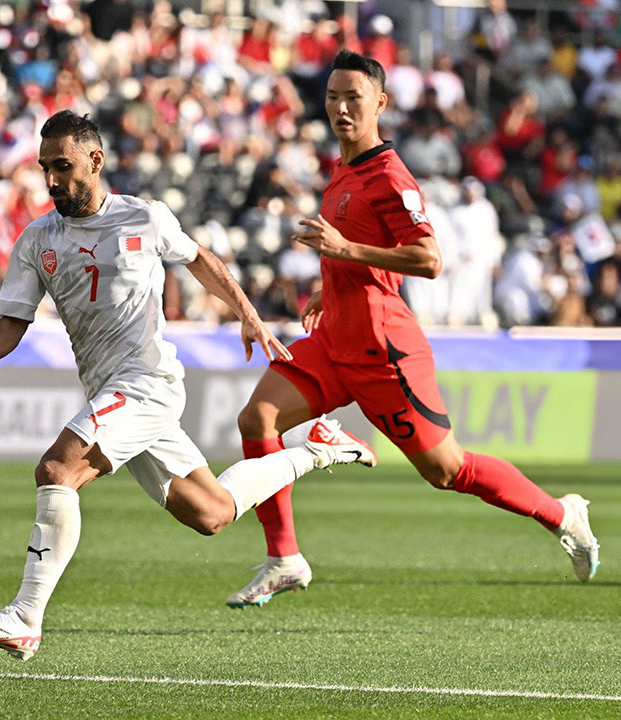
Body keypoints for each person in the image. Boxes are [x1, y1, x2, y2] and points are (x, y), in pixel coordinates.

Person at [0, 110, 375, 662]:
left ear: (95, 161)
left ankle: (25, 617)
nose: (51, 180)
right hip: (107, 390)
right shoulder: (37, 239)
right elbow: (14, 318)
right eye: (45, 168)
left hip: (146, 383)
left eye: (63, 167)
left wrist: (248, 314)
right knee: (211, 513)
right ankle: (317, 448)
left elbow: (200, 260)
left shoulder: (144, 217)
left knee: (57, 470)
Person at [228, 50, 600, 609]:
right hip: (335, 340)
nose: (341, 108)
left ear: (380, 102)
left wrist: (346, 251)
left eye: (353, 98)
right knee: (257, 419)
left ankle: (561, 513)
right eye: (332, 97)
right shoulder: (343, 168)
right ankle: (284, 559)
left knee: (448, 471)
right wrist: (331, 285)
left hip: (384, 351)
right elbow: (363, 249)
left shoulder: (388, 175)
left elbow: (428, 259)